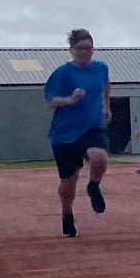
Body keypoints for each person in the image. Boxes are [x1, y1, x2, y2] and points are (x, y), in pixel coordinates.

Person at [43, 28, 112, 239]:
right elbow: (50, 101)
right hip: (64, 133)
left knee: (100, 157)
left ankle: (93, 186)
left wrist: (107, 106)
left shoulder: (101, 68)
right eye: (81, 49)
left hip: (92, 125)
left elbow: (106, 85)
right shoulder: (62, 73)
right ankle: (67, 213)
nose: (85, 52)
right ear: (71, 50)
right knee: (69, 182)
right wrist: (69, 100)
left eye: (89, 49)